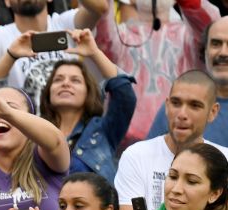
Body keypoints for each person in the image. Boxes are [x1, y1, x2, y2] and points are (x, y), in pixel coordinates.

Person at [94, 0, 220, 144]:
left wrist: (188, 2)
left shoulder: (188, 36)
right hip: (125, 142)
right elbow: (103, 33)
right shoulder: (122, 36)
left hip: (182, 137)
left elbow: (212, 28)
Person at [29, 29, 136, 184]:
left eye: (75, 80)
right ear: (48, 91)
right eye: (58, 79)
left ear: (88, 92)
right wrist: (12, 55)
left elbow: (124, 94)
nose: (66, 83)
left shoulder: (103, 130)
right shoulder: (33, 131)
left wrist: (93, 53)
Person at [0, 0, 109, 107]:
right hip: (26, 138)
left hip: (72, 132)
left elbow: (99, 7)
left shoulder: (66, 24)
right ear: (7, 2)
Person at [115, 70, 228, 210]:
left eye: (194, 105)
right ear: (167, 106)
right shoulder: (136, 156)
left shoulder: (225, 160)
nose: (182, 114)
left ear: (213, 112)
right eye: (176, 103)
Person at [147, 16, 228, 146]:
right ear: (205, 50)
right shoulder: (178, 104)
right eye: (216, 44)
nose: (223, 52)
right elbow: (148, 159)